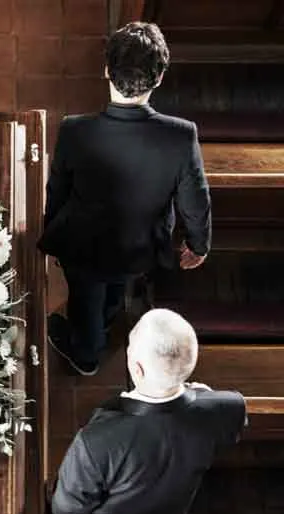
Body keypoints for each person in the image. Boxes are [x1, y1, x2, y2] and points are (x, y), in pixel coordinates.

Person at [39, 21, 211, 376]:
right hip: (140, 247)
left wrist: (54, 233)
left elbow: (57, 190)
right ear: (159, 77)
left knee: (85, 298)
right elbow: (195, 200)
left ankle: (86, 355)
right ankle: (108, 315)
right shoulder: (181, 136)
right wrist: (199, 243)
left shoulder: (75, 130)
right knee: (118, 284)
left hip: (84, 246)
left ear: (106, 70)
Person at [48, 309, 246, 514]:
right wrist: (198, 394)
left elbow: (70, 503)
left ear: (137, 369)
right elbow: (228, 429)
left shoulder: (100, 439)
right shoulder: (228, 407)